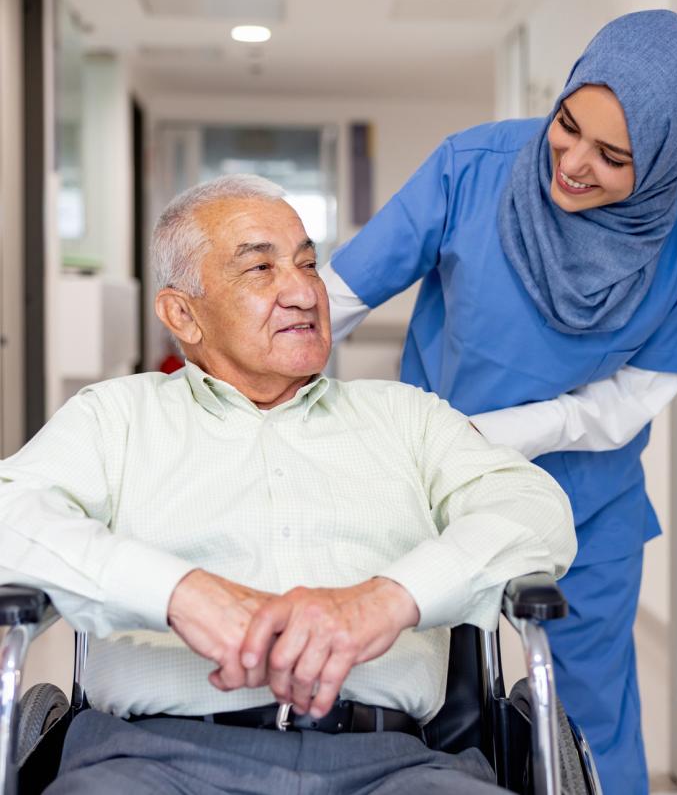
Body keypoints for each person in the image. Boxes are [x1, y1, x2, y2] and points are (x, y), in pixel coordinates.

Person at [0, 174, 576, 795]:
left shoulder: (407, 417)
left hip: (394, 765)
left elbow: (534, 510)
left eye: (308, 264)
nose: (303, 291)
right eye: (260, 269)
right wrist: (178, 592)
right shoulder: (115, 417)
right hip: (148, 763)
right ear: (182, 313)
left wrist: (387, 599)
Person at [320, 10, 677, 794]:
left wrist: (491, 432)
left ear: (668, 161)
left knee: (585, 718)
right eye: (567, 125)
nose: (573, 163)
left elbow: (627, 403)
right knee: (413, 697)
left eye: (613, 157)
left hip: (586, 502)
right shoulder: (472, 167)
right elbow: (338, 297)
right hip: (431, 489)